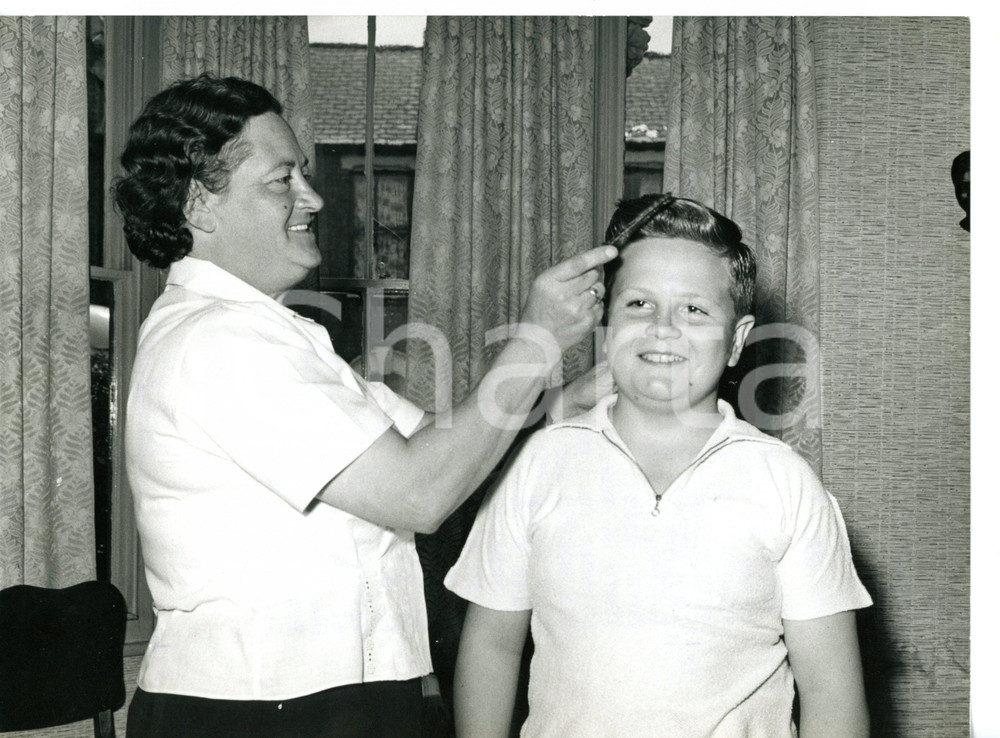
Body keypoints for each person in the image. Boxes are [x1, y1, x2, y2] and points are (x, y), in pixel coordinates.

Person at [112, 74, 616, 738]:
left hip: (331, 701)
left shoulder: (274, 334)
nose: (313, 198)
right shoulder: (219, 341)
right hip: (264, 713)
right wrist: (538, 340)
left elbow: (448, 453)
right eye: (281, 180)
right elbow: (420, 492)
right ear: (200, 207)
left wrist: (572, 400)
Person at [444, 194, 873, 737]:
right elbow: (491, 646)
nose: (663, 327)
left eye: (693, 310)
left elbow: (832, 692)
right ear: (604, 323)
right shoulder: (535, 464)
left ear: (737, 341)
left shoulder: (784, 483)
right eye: (639, 305)